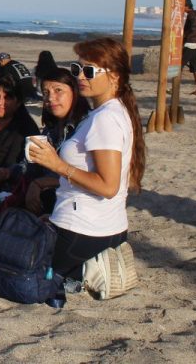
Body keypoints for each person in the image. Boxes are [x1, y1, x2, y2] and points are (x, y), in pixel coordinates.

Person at [27, 38, 145, 280]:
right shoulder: (110, 111)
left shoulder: (105, 119)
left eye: (89, 71)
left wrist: (57, 165)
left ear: (114, 76)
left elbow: (108, 186)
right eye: (76, 68)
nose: (80, 76)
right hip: (101, 228)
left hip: (85, 232)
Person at [0, 67, 91, 215]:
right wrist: (5, 172)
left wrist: (40, 183)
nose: (50, 98)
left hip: (75, 206)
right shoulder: (52, 129)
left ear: (75, 91)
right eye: (46, 93)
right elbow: (31, 166)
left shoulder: (86, 127)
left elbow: (91, 177)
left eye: (58, 90)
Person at [182, 0, 196, 96]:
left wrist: (185, 37)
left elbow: (192, 29)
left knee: (179, 66)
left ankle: (173, 88)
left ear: (187, 6)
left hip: (190, 43)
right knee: (195, 69)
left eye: (182, 6)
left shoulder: (191, 15)